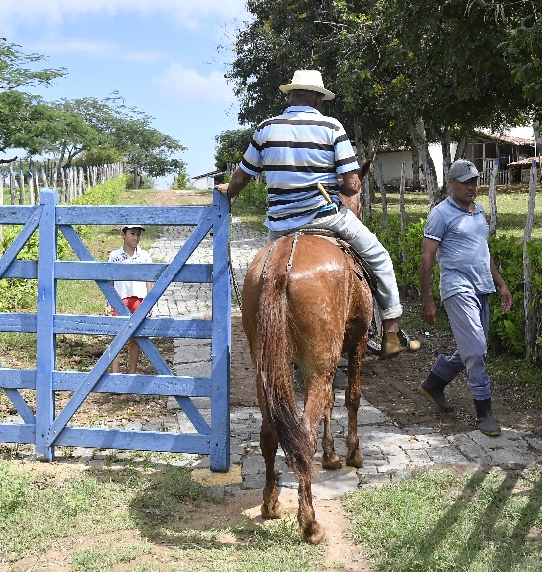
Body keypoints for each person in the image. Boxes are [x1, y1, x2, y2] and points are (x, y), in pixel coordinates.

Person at [215, 68, 419, 358]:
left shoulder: (265, 128)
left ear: (291, 97)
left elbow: (242, 177)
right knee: (380, 257)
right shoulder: (331, 127)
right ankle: (391, 332)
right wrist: (341, 184)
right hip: (325, 217)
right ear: (318, 99)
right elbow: (352, 184)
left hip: (280, 225)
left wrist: (229, 190)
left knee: (265, 274)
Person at [417, 159, 512, 436]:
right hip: (457, 288)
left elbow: (483, 251)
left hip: (482, 286)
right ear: (451, 184)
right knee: (477, 349)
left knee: (472, 347)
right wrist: (427, 300)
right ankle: (484, 412)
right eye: (465, 182)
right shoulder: (440, 214)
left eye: (474, 181)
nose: (472, 187)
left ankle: (434, 383)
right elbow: (427, 258)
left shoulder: (478, 211)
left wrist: (501, 283)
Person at [105, 224, 154, 374]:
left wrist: (149, 304)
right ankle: (114, 374)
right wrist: (109, 302)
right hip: (120, 300)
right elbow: (110, 281)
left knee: (136, 338)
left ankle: (131, 373)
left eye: (138, 234)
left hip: (139, 300)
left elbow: (149, 281)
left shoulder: (145, 256)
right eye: (132, 234)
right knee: (117, 338)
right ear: (123, 235)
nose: (136, 238)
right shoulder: (115, 256)